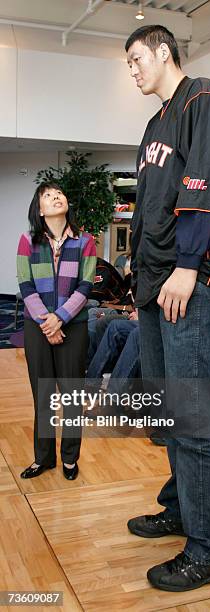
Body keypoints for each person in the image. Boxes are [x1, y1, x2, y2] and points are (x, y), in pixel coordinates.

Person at [125, 25, 210, 592]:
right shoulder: (153, 125)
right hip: (155, 286)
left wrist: (188, 267)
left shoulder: (204, 97)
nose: (133, 70)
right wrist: (137, 277)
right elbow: (151, 206)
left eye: (137, 58)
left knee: (197, 418)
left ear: (164, 51)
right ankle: (181, 509)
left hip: (192, 285)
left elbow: (205, 185)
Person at [17, 182, 96, 480]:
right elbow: (25, 285)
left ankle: (70, 458)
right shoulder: (28, 241)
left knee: (72, 395)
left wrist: (60, 318)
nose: (55, 197)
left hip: (72, 326)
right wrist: (46, 322)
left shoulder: (85, 241)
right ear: (39, 209)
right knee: (44, 394)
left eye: (59, 193)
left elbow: (86, 286)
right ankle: (44, 458)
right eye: (47, 196)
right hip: (37, 326)